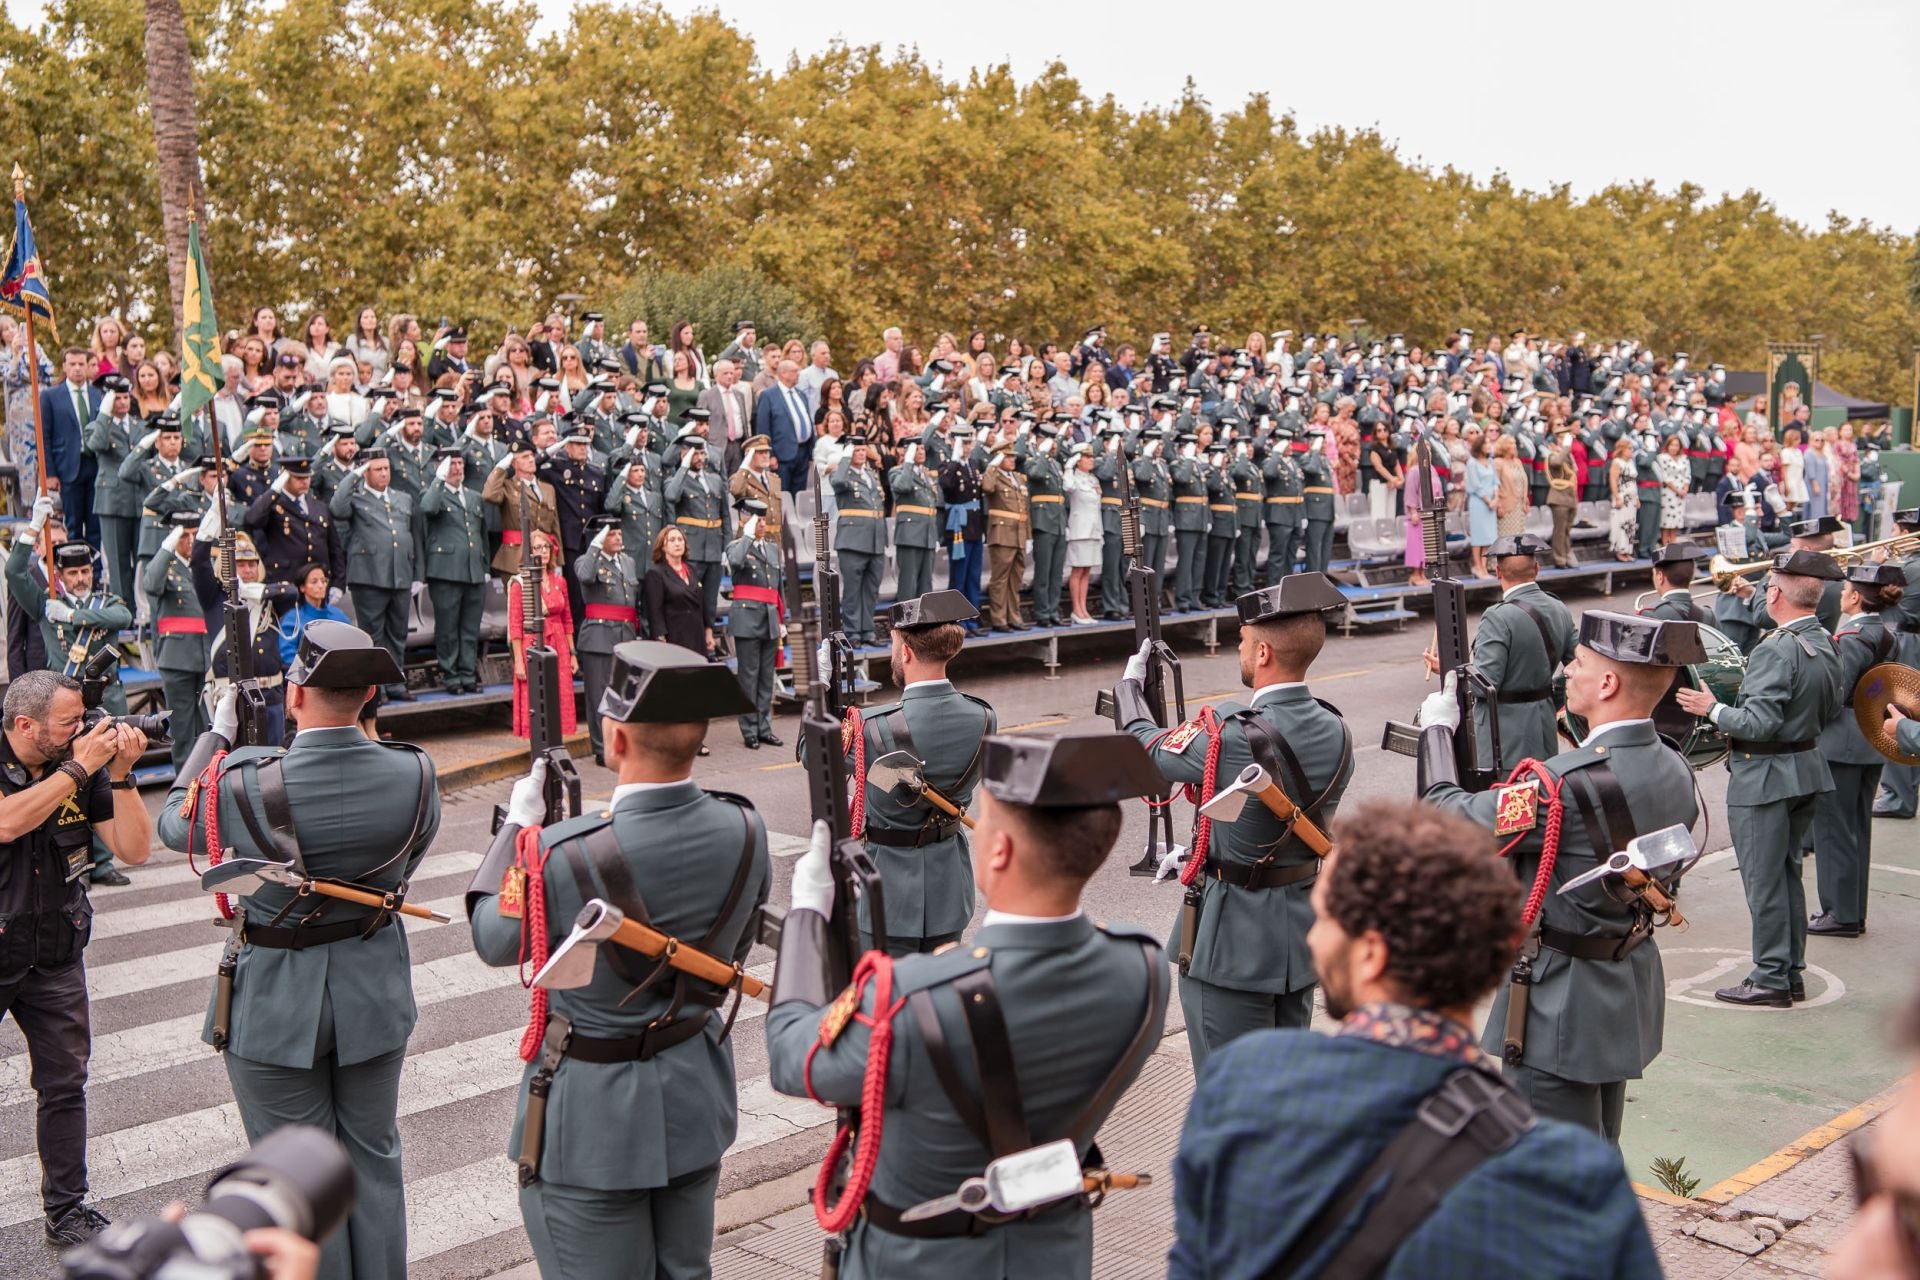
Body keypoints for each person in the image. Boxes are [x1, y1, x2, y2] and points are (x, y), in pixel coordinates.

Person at [1167, 799, 1659, 1279]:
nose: (1311, 939)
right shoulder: (1577, 1178)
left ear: (1371, 955)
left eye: (1321, 918)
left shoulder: (1246, 1083)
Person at [765, 730, 1169, 1280]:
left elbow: (793, 1057)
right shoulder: (1141, 968)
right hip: (1052, 1256)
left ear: (999, 849)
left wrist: (808, 914)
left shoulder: (910, 995)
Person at [467, 642, 766, 1280]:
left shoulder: (554, 849)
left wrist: (514, 832)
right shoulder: (745, 828)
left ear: (616, 738)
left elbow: (493, 940)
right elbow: (732, 949)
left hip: (592, 1121)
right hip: (692, 1093)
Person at [158, 622, 439, 1280]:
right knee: (374, 1158)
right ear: (370, 693)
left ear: (293, 694)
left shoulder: (242, 780)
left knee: (291, 1178)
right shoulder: (415, 774)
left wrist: (217, 736)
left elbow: (176, 824)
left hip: (275, 999)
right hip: (372, 989)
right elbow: (407, 863)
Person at [1420, 611, 1703, 1140]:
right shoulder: (1674, 763)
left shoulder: (1560, 787)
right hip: (1623, 984)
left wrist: (1437, 730)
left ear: (1608, 683)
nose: (1567, 672)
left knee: (1548, 1167)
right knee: (1598, 1146)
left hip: (1560, 1004)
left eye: (1578, 663)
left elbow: (1443, 816)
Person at [1116, 574, 1353, 1068]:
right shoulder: (1337, 729)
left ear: (1263, 653)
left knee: (1230, 1100)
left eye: (1243, 642)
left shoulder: (1230, 736)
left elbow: (1145, 747)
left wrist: (1129, 689)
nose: (1240, 651)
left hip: (1231, 946)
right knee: (1284, 1094)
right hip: (1297, 941)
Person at [0, 670, 150, 1245]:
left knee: (65, 1085)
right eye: (69, 725)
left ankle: (67, 1212)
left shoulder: (82, 768)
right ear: (24, 725)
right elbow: (10, 822)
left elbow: (134, 850)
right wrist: (81, 767)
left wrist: (122, 775)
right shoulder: (72, 766)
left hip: (55, 951)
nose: (82, 731)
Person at [1676, 550, 1844, 1007]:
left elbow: (1758, 724)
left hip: (1765, 776)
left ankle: (1770, 976)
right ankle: (1789, 972)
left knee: (1764, 882)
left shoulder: (1775, 648)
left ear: (1774, 594)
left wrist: (1710, 708)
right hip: (1805, 769)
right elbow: (1829, 709)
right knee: (1787, 876)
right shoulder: (1824, 641)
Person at [832, 589, 994, 953]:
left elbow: (813, 756)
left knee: (886, 1002)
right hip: (949, 887)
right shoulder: (983, 717)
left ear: (905, 652)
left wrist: (823, 690)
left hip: (886, 894)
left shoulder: (870, 726)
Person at [1809, 564, 1909, 938]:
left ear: (1853, 596)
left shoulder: (1851, 636)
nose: (1840, 594)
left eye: (1845, 588)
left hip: (1841, 745)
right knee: (1856, 829)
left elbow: (1837, 692)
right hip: (1868, 738)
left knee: (1835, 830)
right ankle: (1852, 909)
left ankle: (1840, 913)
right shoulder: (1884, 632)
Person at [1425, 535, 1575, 771]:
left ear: (1497, 573)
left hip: (1506, 738)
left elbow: (1484, 684)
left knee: (1508, 804)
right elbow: (1579, 665)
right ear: (1537, 568)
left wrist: (1449, 670)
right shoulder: (1559, 607)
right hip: (1544, 725)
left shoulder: (1498, 616)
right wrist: (1550, 693)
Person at [327, 447, 417, 703]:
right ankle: (377, 687)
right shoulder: (356, 498)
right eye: (377, 469)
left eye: (386, 468)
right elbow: (337, 508)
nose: (383, 474)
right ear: (366, 471)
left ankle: (395, 680)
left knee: (398, 632)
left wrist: (416, 573)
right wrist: (354, 475)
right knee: (372, 635)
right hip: (369, 576)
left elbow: (412, 535)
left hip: (399, 574)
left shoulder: (402, 498)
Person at [145, 511, 217, 771]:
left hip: (205, 655)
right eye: (184, 535)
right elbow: (151, 584)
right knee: (183, 731)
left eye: (194, 534)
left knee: (208, 727)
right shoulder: (167, 566)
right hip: (177, 658)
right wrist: (168, 545)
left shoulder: (202, 566)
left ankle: (208, 782)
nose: (190, 540)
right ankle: (184, 788)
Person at [418, 449, 489, 694]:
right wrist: (438, 480)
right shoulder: (433, 494)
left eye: (460, 463)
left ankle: (468, 674)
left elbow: (481, 534)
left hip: (473, 571)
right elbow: (427, 508)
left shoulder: (473, 496)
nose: (457, 468)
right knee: (448, 628)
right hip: (445, 572)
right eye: (451, 464)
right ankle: (451, 676)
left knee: (470, 627)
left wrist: (485, 566)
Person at [723, 500, 782, 749]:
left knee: (766, 678)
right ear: (744, 521)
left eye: (762, 519)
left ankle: (764, 728)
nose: (761, 524)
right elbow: (735, 562)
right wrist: (746, 535)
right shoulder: (736, 546)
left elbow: (778, 586)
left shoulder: (771, 548)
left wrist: (782, 617)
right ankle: (749, 729)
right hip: (747, 618)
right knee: (749, 677)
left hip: (769, 617)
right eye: (756, 520)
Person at [507, 529, 577, 740]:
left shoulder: (559, 581)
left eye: (546, 547)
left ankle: (556, 745)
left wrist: (572, 652)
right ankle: (538, 751)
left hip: (559, 644)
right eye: (537, 547)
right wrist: (519, 661)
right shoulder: (522, 584)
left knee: (559, 696)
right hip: (533, 643)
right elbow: (515, 625)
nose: (543, 552)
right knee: (537, 699)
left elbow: (568, 620)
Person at [244, 456, 344, 590]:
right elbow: (252, 519)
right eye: (298, 478)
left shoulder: (319, 506)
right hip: (286, 581)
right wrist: (274, 491)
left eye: (307, 477)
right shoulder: (273, 505)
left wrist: (338, 583)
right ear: (284, 478)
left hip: (318, 583)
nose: (304, 482)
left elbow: (334, 548)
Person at [83, 372, 142, 599]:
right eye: (117, 398)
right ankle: (123, 611)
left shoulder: (139, 425)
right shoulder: (97, 426)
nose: (123, 402)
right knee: (118, 563)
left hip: (138, 498)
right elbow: (95, 445)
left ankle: (142, 613)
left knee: (141, 558)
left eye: (126, 397)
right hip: (113, 501)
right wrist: (104, 414)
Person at [40, 346, 103, 546]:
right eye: (72, 364)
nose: (77, 368)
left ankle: (96, 571)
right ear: (64, 367)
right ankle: (73, 568)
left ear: (88, 366)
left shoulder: (97, 394)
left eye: (81, 364)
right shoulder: (51, 396)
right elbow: (45, 436)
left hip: (94, 465)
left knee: (95, 524)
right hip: (67, 467)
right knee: (73, 523)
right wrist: (49, 473)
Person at [831, 433, 887, 645]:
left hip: (875, 539)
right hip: (853, 541)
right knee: (853, 591)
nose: (861, 453)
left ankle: (868, 631)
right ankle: (852, 632)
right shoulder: (842, 474)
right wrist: (844, 458)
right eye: (856, 450)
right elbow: (838, 482)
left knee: (871, 590)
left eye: (863, 449)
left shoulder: (870, 475)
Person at [483, 438, 561, 577]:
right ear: (513, 463)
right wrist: (500, 468)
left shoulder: (548, 489)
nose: (531, 459)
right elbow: (489, 495)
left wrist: (558, 561)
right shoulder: (507, 486)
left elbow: (555, 527)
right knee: (519, 598)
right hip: (515, 557)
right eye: (525, 457)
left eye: (532, 455)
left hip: (544, 557)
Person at [1024, 426, 1068, 625]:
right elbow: (1036, 474)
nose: (1054, 445)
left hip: (1058, 522)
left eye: (1054, 441)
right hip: (1043, 522)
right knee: (1043, 572)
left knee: (1056, 573)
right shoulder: (1033, 460)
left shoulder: (1055, 464)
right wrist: (1041, 451)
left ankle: (1052, 610)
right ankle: (1042, 612)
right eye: (1049, 440)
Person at [644, 525, 709, 657]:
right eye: (672, 540)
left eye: (680, 539)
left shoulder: (691, 570)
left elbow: (702, 603)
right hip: (674, 638)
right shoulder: (656, 573)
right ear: (663, 546)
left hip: (696, 636)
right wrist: (660, 639)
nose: (677, 543)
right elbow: (655, 611)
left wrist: (708, 631)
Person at [889, 439, 942, 604]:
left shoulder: (926, 475)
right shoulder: (897, 472)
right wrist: (908, 462)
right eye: (916, 449)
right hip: (910, 535)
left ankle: (924, 627)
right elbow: (903, 486)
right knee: (908, 584)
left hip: (928, 535)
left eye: (922, 449)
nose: (921, 452)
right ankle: (906, 627)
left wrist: (934, 536)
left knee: (926, 584)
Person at [274, 563, 349, 668]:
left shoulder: (339, 616)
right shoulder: (292, 619)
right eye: (314, 582)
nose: (321, 585)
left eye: (323, 581)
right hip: (304, 678)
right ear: (302, 587)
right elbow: (288, 656)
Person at [1062, 442, 1102, 623]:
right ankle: (1076, 610)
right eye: (1086, 457)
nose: (1091, 460)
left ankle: (1083, 609)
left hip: (1093, 529)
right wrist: (1069, 466)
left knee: (1087, 571)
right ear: (1078, 459)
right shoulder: (1073, 477)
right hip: (1079, 530)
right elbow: (1068, 487)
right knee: (1077, 570)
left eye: (1091, 456)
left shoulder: (1093, 479)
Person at [1299, 427, 1336, 574]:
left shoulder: (1324, 460)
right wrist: (1313, 450)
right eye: (1320, 442)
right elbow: (1312, 470)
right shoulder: (1306, 458)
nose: (1323, 445)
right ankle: (1313, 582)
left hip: (1328, 510)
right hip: (1315, 511)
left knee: (1326, 549)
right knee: (1314, 550)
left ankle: (1323, 578)